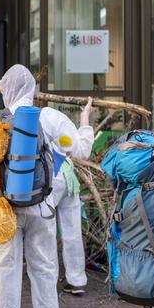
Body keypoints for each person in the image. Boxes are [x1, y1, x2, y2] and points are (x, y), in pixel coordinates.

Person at [0, 64, 93, 308]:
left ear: (6, 90)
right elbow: (81, 150)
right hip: (41, 208)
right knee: (44, 269)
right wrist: (85, 124)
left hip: (5, 210)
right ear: (32, 89)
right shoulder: (48, 117)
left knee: (5, 270)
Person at [52, 98, 95, 295]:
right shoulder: (59, 121)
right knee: (72, 231)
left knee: (46, 231)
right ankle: (77, 280)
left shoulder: (35, 119)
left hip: (50, 177)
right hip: (69, 176)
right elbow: (82, 150)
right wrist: (85, 117)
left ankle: (48, 279)